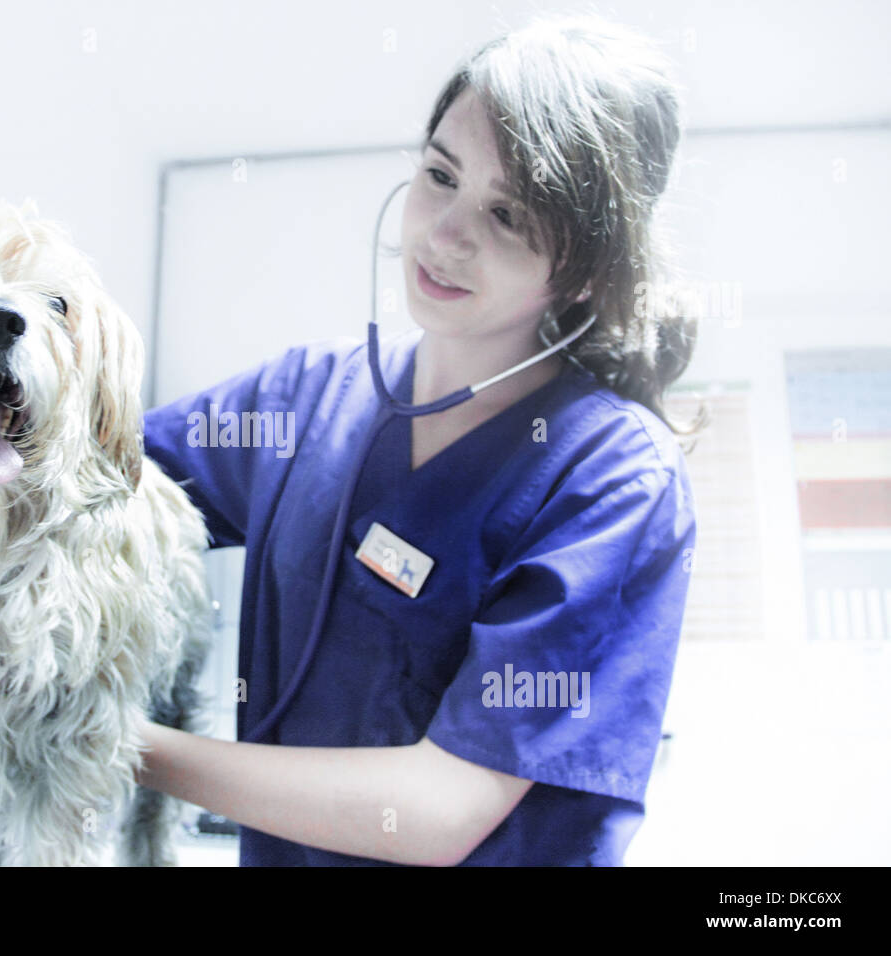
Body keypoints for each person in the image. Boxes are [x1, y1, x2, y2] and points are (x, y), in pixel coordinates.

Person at [133, 14, 706, 866]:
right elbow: (97, 480)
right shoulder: (304, 398)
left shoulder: (612, 477)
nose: (444, 233)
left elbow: (442, 807)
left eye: (508, 214)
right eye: (440, 174)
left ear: (585, 268)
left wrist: (115, 742)